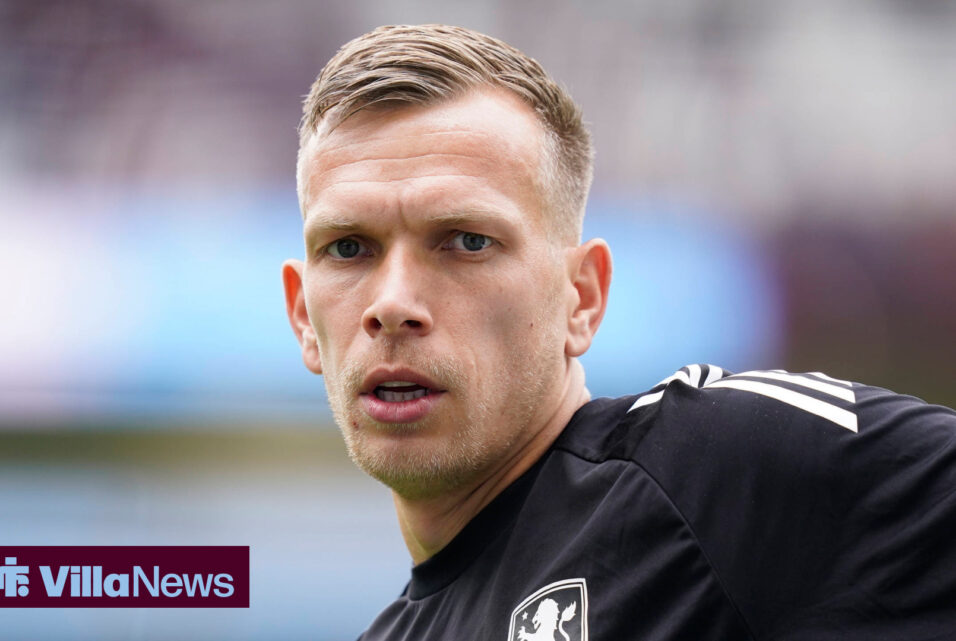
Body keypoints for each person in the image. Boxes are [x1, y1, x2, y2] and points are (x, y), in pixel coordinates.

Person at [281, 24, 956, 640]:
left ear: (582, 297)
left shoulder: (711, 464)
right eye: (348, 248)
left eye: (466, 240)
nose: (394, 304)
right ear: (303, 316)